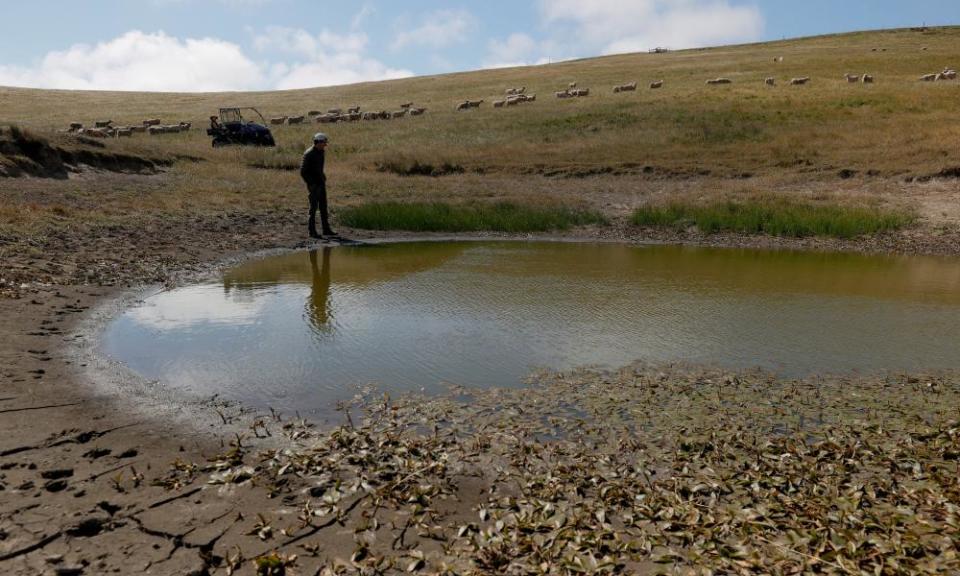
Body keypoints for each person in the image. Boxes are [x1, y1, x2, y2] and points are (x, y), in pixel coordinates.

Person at [300, 132, 334, 238]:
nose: (325, 145)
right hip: (314, 185)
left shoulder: (321, 152)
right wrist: (311, 183)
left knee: (323, 207)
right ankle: (312, 231)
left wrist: (322, 178)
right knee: (313, 209)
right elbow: (303, 171)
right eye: (324, 142)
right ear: (318, 142)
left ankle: (326, 229)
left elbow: (319, 168)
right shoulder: (309, 153)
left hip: (320, 183)